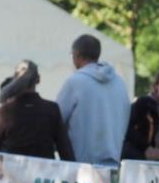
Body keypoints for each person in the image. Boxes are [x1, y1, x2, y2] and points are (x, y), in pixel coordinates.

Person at [56, 34, 130, 164]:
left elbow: (56, 119)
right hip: (113, 159)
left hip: (81, 166)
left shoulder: (75, 82)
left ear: (76, 55)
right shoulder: (120, 83)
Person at [0, 60, 75, 161]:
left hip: (12, 174)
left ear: (15, 80)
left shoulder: (5, 111)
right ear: (38, 80)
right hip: (43, 175)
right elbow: (65, 151)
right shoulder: (52, 109)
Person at [122, 67, 159, 160]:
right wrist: (146, 148)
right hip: (141, 158)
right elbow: (127, 128)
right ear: (156, 86)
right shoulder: (143, 104)